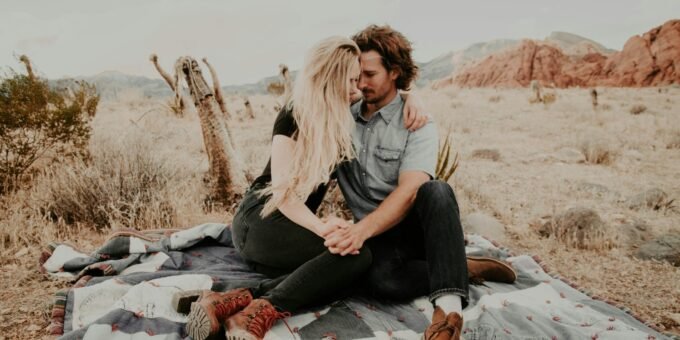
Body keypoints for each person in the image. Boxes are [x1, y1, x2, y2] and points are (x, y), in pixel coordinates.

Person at [180, 36, 426, 340]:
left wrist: (410, 95)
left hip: (289, 231)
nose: (356, 88)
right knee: (356, 259)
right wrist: (323, 227)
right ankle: (256, 310)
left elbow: (386, 97)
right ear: (330, 78)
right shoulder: (294, 114)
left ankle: (228, 300)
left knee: (343, 274)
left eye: (358, 78)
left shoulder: (341, 114)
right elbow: (283, 195)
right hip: (262, 220)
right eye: (349, 79)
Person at [323, 25, 516, 340]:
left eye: (369, 74)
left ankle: (448, 311)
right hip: (378, 234)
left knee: (436, 189)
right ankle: (460, 267)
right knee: (381, 284)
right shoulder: (341, 116)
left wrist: (359, 231)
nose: (359, 82)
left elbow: (411, 190)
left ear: (395, 72)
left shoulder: (418, 123)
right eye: (356, 74)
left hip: (414, 228)